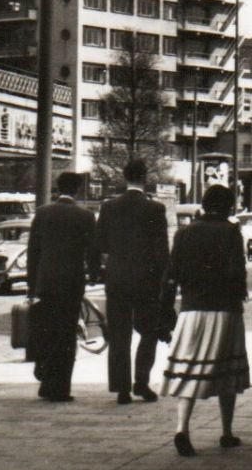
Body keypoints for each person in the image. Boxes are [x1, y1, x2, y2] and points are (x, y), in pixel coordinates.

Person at [160, 184, 250, 457]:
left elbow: (171, 274)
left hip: (192, 309)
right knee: (227, 372)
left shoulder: (185, 233)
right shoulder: (232, 232)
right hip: (224, 310)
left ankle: (182, 428)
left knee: (188, 371)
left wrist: (166, 311)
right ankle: (226, 431)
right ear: (228, 206)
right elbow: (237, 272)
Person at [94, 158, 173, 405]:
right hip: (146, 280)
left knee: (119, 334)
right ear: (145, 178)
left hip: (117, 278)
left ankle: (121, 389)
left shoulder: (109, 207)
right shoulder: (155, 209)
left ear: (124, 178)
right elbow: (162, 250)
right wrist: (164, 280)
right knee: (148, 331)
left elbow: (101, 243)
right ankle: (141, 382)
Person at [26, 171, 99, 403]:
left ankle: (45, 379)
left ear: (58, 188)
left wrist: (31, 286)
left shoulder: (43, 213)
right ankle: (60, 388)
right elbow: (93, 251)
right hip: (71, 283)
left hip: (46, 283)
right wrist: (93, 274)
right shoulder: (85, 216)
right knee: (67, 335)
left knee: (47, 330)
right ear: (77, 190)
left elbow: (33, 252)